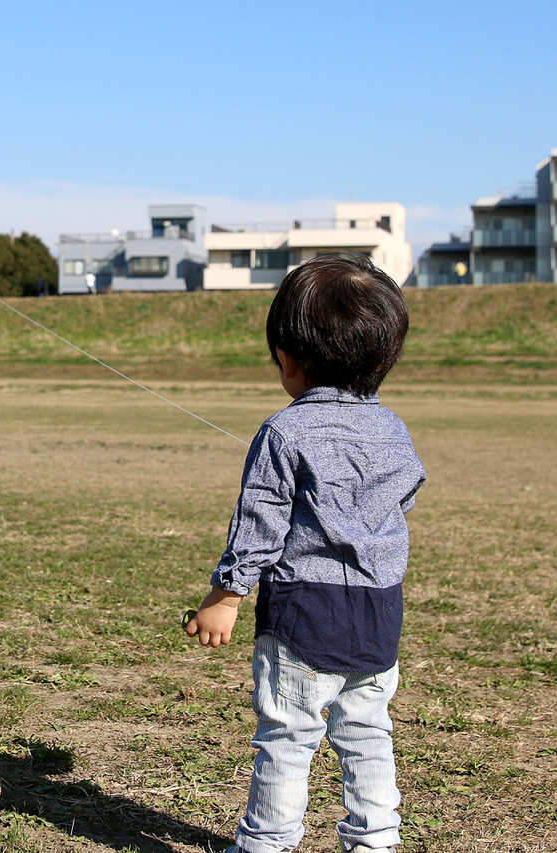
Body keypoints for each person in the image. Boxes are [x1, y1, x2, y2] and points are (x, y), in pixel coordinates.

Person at [184, 254, 426, 853]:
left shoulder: (283, 431)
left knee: (288, 739)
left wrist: (225, 597)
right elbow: (407, 492)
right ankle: (376, 841)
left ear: (287, 358)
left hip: (304, 612)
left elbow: (259, 525)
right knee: (368, 733)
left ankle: (266, 843)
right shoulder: (394, 428)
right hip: (379, 612)